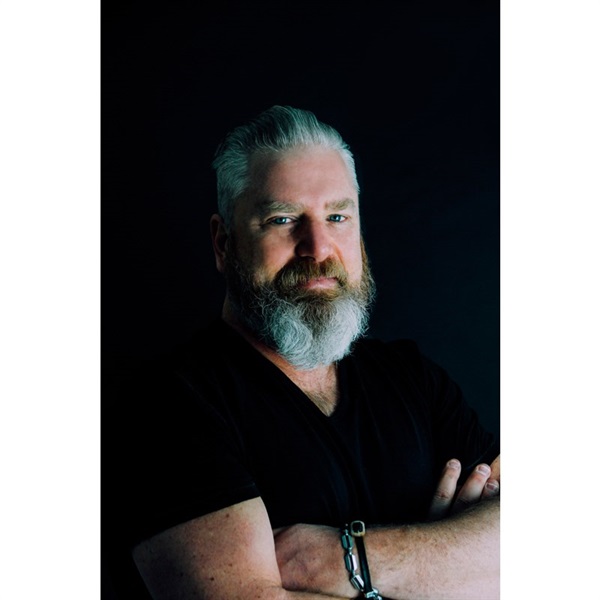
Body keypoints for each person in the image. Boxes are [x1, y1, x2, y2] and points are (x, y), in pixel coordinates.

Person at [104, 105, 500, 600]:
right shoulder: (167, 407)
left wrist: (334, 560)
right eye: (283, 219)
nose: (318, 247)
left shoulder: (414, 379)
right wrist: (450, 566)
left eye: (337, 217)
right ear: (224, 243)